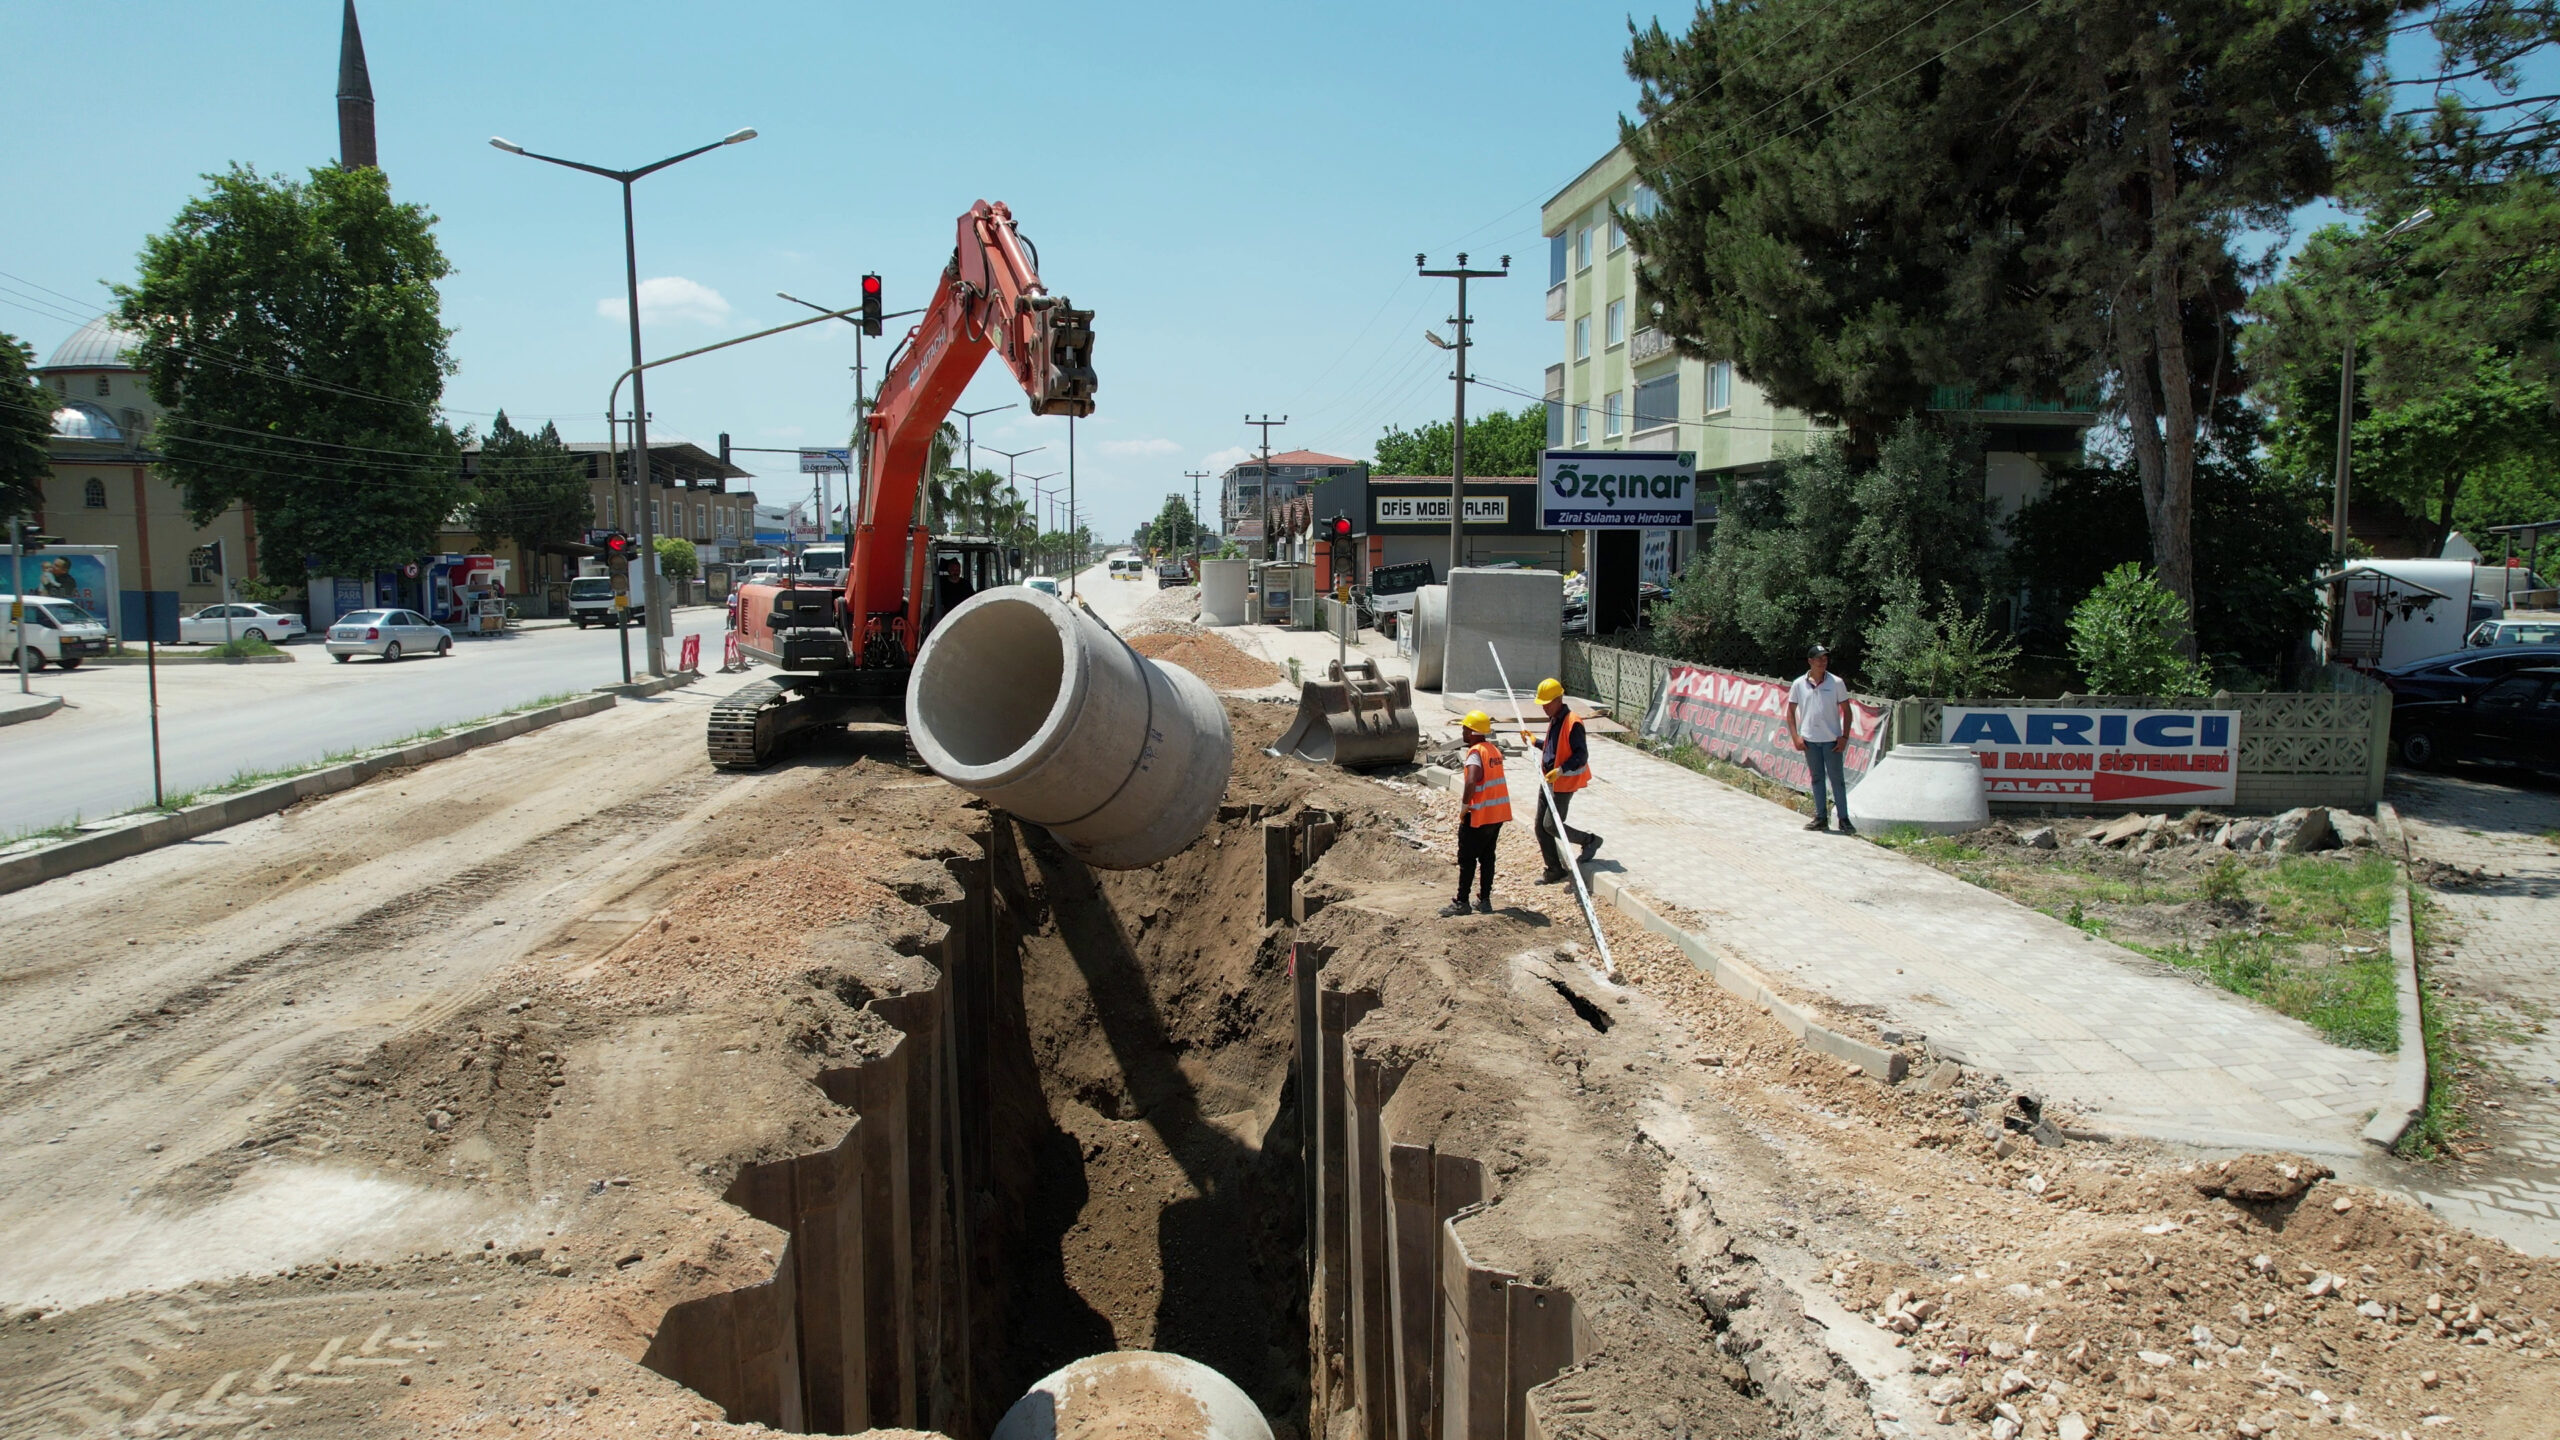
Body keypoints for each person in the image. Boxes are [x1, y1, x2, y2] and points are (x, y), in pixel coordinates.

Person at [1527, 677, 1602, 882]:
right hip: (1548, 780)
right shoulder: (1555, 719)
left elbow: (1580, 755)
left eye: (1546, 703)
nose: (1543, 708)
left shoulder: (1572, 722)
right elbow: (1554, 750)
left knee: (1551, 825)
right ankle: (1554, 870)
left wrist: (1561, 770)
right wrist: (1535, 742)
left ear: (1558, 700)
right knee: (1540, 828)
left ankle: (1590, 840)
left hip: (1563, 783)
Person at [1443, 710, 1511, 917]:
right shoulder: (1493, 751)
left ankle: (1462, 901)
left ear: (1473, 732)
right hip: (1496, 815)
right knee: (1487, 857)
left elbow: (1472, 780)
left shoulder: (1475, 753)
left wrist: (1465, 805)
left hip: (1478, 815)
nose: (1463, 732)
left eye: (1465, 728)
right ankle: (1485, 900)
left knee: (1467, 858)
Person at [1785, 643, 1857, 834]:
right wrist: (1795, 736)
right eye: (1818, 659)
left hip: (1831, 739)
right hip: (1809, 739)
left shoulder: (1836, 683)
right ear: (1810, 661)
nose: (1822, 662)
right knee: (1816, 779)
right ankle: (1820, 818)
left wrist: (1844, 737)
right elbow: (1790, 712)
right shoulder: (1799, 684)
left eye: (1825, 659)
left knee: (1837, 780)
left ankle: (1843, 819)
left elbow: (1847, 712)